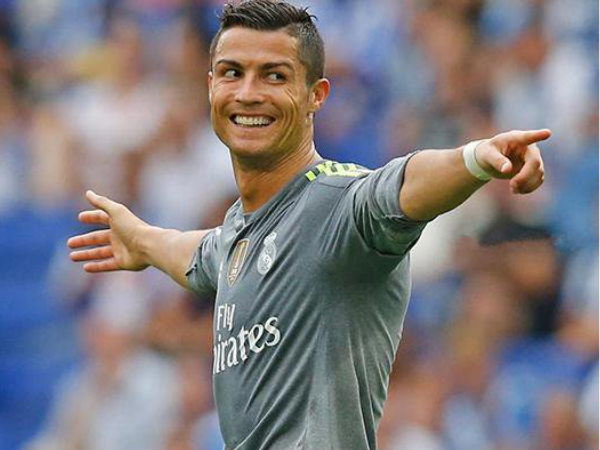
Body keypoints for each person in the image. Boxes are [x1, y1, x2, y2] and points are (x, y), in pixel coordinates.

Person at [67, 1, 550, 449]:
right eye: (232, 73)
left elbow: (403, 185)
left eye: (274, 76)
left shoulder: (337, 202)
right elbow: (202, 253)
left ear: (316, 94)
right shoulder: (240, 233)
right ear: (211, 86)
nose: (248, 93)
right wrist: (144, 241)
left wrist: (475, 159)